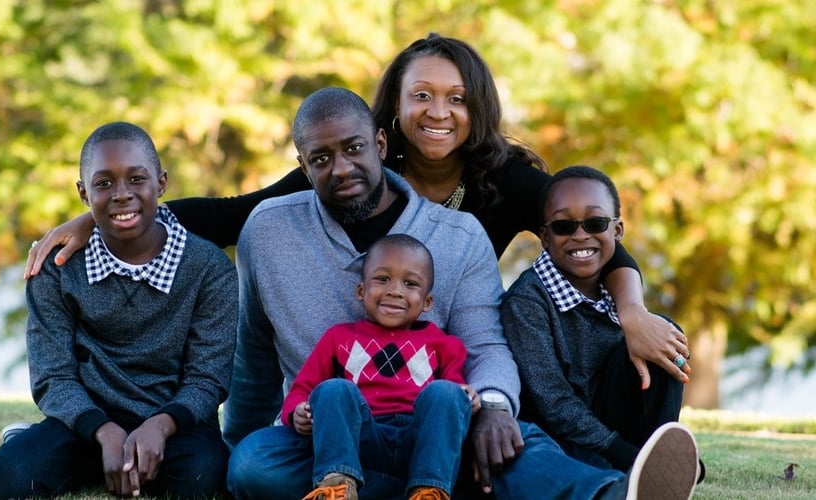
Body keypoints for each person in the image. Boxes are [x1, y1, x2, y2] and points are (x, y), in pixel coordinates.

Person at [24, 34, 692, 397]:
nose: (438, 112)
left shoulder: (507, 178)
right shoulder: (352, 169)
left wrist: (632, 310)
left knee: (523, 329)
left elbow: (588, 234)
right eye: (421, 95)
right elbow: (233, 216)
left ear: (477, 106)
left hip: (453, 356)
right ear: (390, 112)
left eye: (456, 98)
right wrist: (117, 218)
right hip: (360, 363)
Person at [223, 87, 698, 499]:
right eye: (322, 159)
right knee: (253, 465)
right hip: (329, 435)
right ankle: (440, 490)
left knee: (507, 441)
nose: (341, 169)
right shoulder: (268, 231)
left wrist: (492, 406)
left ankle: (610, 494)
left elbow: (485, 344)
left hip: (436, 427)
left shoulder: (459, 235)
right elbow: (255, 360)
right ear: (303, 167)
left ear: (381, 144)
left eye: (354, 148)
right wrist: (237, 446)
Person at [0, 122, 237, 498]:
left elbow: (208, 378)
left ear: (161, 184)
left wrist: (161, 426)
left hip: (175, 426)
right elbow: (53, 376)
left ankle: (120, 458)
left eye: (136, 179)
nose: (121, 194)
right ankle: (57, 448)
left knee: (205, 476)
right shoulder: (57, 268)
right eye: (103, 184)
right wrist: (103, 430)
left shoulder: (209, 268)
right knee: (12, 476)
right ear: (83, 193)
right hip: (85, 425)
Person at [501, 165, 691, 475]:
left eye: (595, 222)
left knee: (663, 330)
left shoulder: (618, 291)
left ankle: (661, 454)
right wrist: (625, 454)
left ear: (616, 230)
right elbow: (555, 404)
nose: (580, 235)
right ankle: (643, 465)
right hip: (558, 440)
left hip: (615, 430)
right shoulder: (526, 302)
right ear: (545, 236)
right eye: (564, 226)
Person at [285, 233, 480, 500]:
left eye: (410, 283)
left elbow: (453, 398)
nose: (395, 291)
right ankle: (337, 487)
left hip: (420, 440)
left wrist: (466, 396)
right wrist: (295, 412)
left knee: (446, 393)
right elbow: (302, 389)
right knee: (332, 389)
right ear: (361, 290)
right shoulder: (338, 338)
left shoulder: (444, 345)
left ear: (427, 302)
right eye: (383, 279)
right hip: (361, 439)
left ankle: (428, 491)